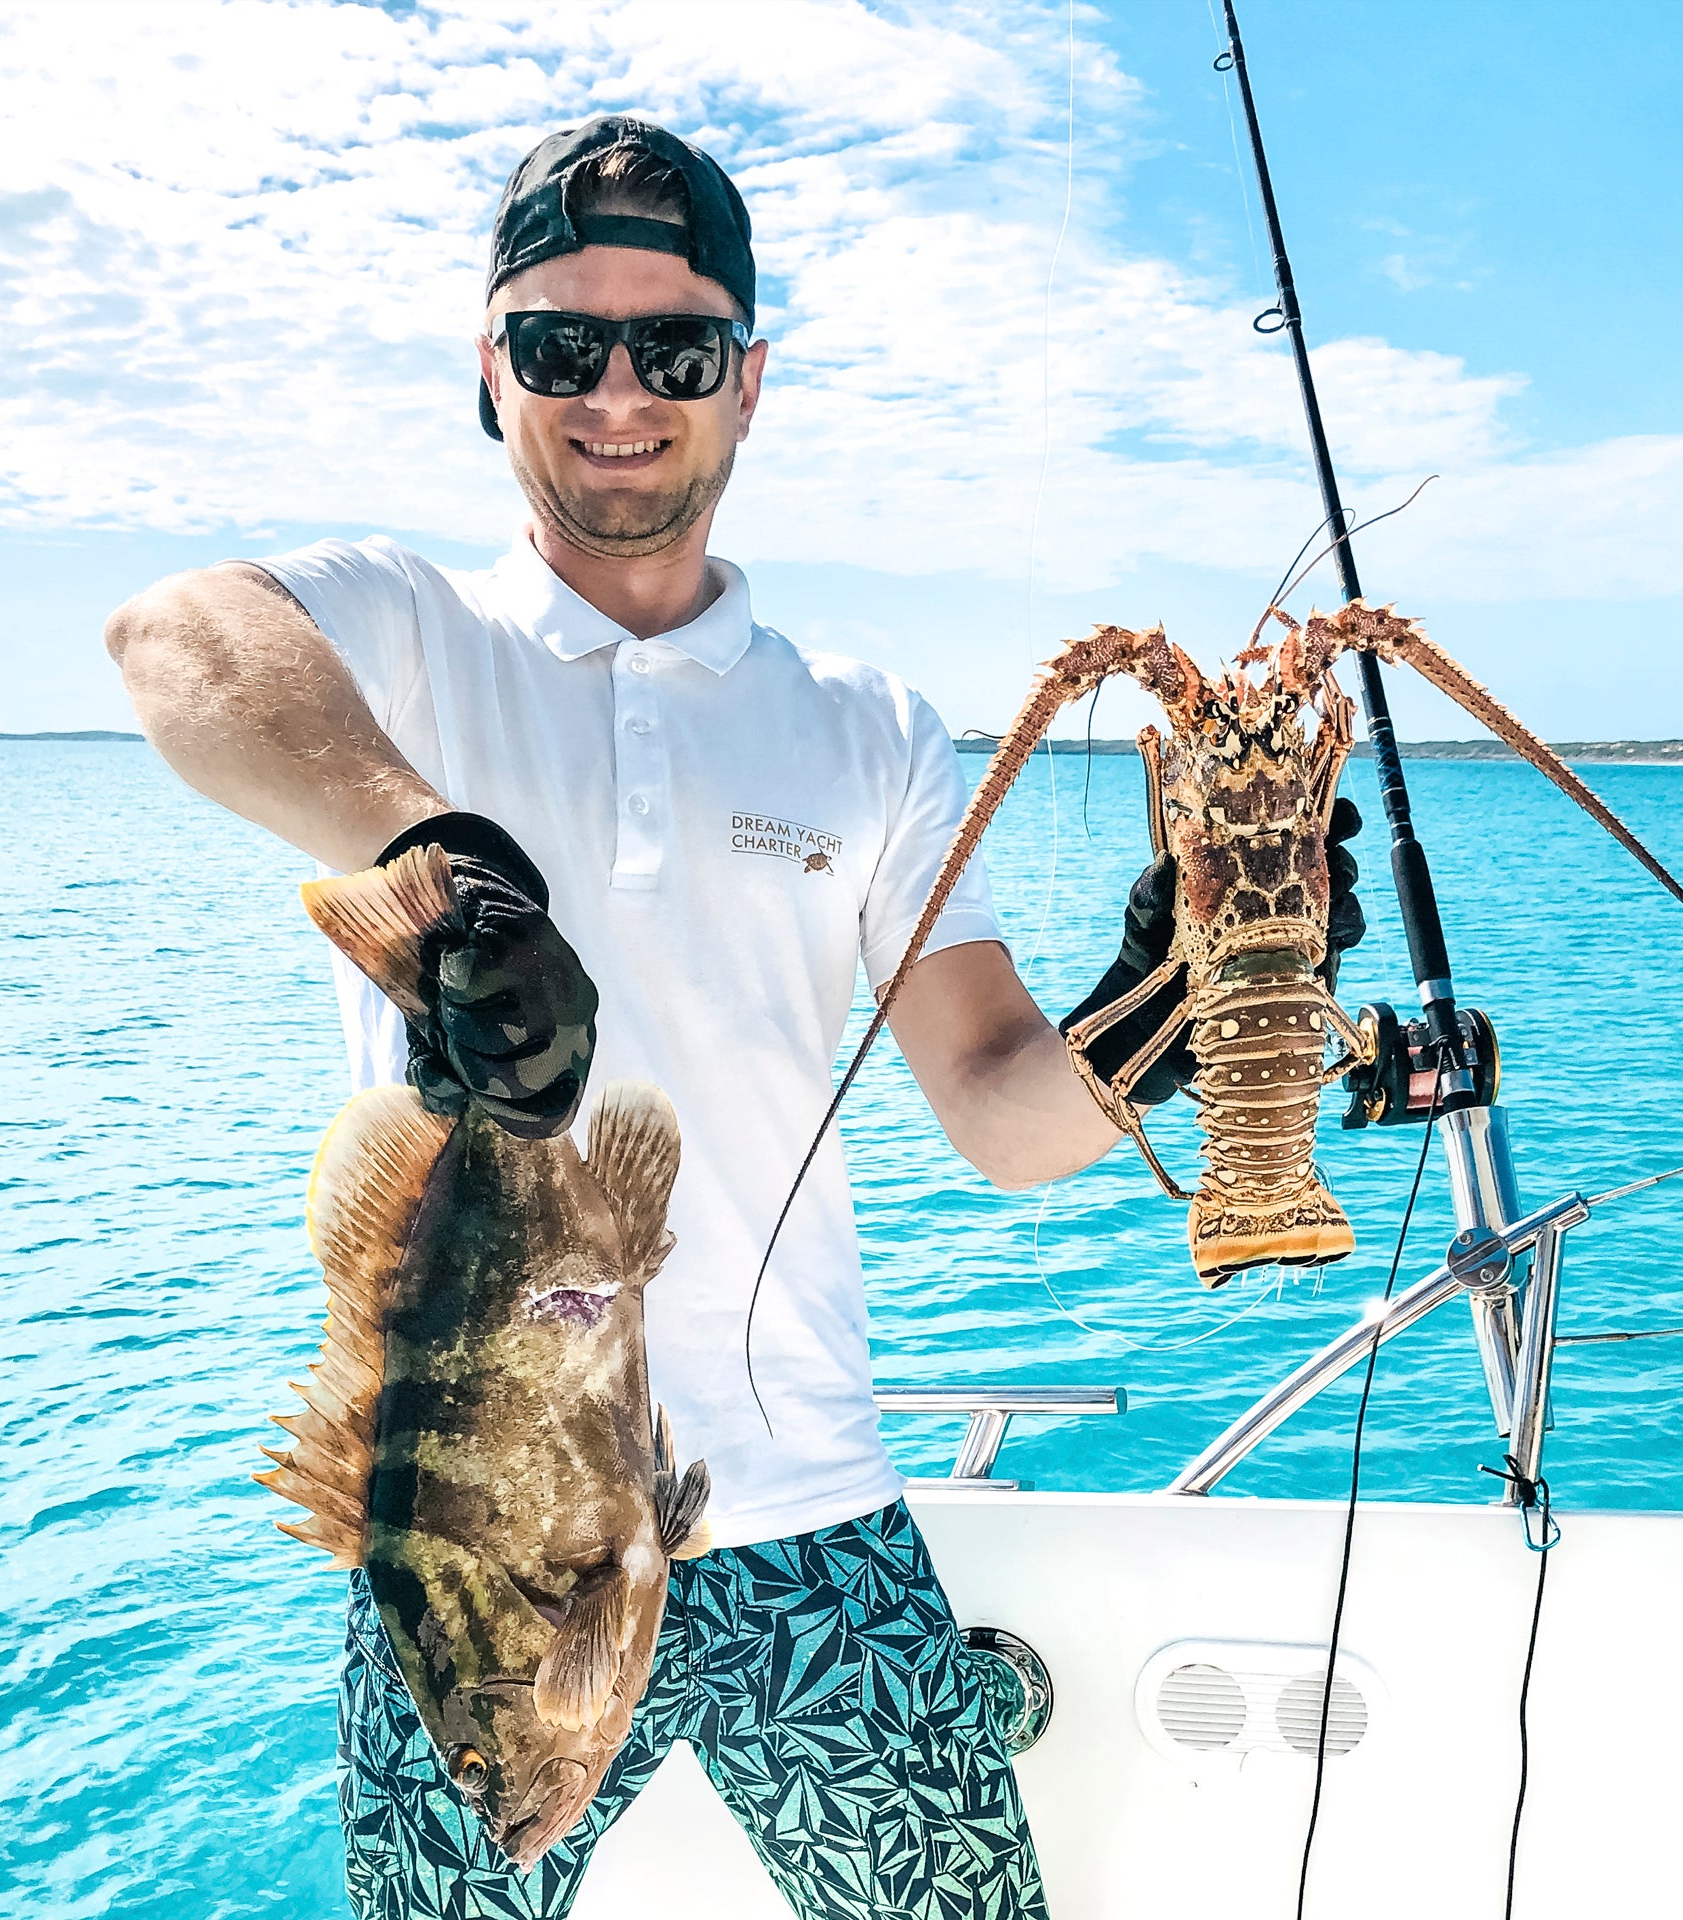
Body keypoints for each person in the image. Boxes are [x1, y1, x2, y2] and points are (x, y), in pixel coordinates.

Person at [106, 116, 1362, 1920]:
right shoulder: (404, 631)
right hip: (474, 1555)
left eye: (676, 347)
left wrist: (1185, 988)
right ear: (493, 370)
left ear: (749, 382)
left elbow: (1003, 1116)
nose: (621, 390)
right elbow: (173, 639)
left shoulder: (871, 729)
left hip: (804, 1517)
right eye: (563, 345)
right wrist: (436, 857)